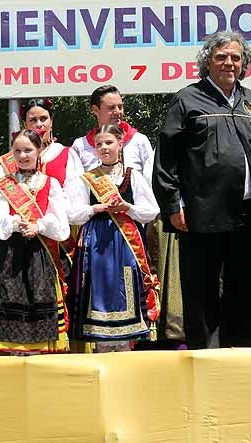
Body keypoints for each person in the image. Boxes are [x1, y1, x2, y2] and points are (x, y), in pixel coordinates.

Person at [152, 30, 251, 349]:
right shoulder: (187, 99)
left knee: (245, 286)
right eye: (221, 57)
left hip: (247, 214)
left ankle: (242, 350)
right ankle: (203, 355)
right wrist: (173, 204)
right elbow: (167, 157)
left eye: (235, 57)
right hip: (200, 214)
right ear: (207, 62)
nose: (229, 63)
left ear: (244, 64)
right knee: (200, 290)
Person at [66, 124, 160, 352]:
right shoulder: (87, 179)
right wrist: (94, 209)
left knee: (125, 286)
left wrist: (127, 207)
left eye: (108, 142)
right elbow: (72, 213)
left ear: (120, 144)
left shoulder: (132, 176)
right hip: (97, 244)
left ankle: (126, 347)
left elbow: (152, 210)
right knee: (99, 290)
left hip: (125, 244)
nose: (103, 148)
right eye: (99, 144)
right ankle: (101, 348)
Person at [0, 130, 71, 354]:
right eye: (17, 151)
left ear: (39, 151)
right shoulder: (2, 185)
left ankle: (40, 351)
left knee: (40, 295)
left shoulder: (51, 184)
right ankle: (10, 350)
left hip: (39, 252)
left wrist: (38, 226)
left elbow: (62, 226)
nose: (22, 155)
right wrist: (14, 223)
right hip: (9, 251)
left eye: (28, 150)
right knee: (8, 294)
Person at [70, 85, 155, 174]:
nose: (118, 112)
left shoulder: (139, 141)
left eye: (120, 107)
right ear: (95, 110)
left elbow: (150, 179)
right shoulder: (80, 146)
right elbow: (75, 183)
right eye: (111, 108)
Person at [0, 98, 80, 186]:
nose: (39, 124)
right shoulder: (12, 159)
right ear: (25, 124)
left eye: (43, 119)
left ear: (51, 122)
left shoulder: (66, 154)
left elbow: (78, 195)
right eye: (33, 120)